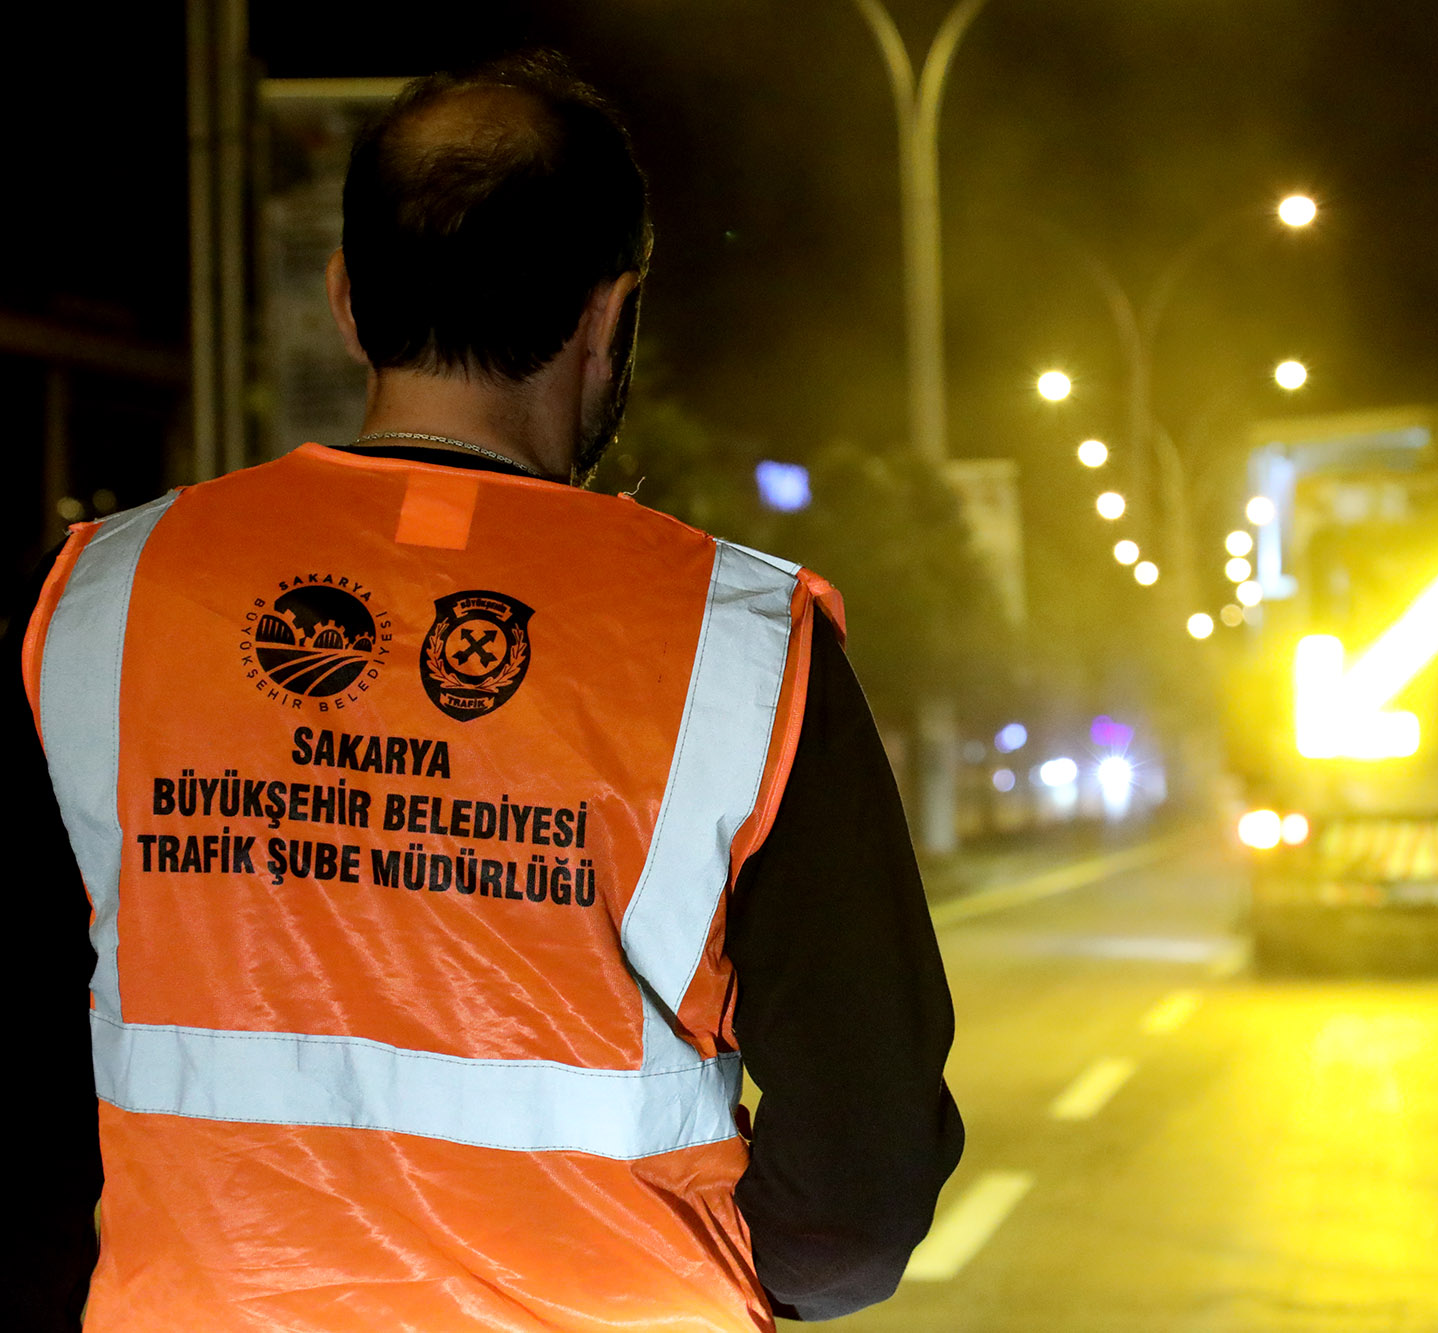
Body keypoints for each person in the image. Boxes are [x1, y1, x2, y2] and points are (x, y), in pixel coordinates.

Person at [5, 51, 961, 1332]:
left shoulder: (98, 603)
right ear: (607, 315)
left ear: (348, 304)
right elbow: (855, 1199)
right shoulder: (742, 646)